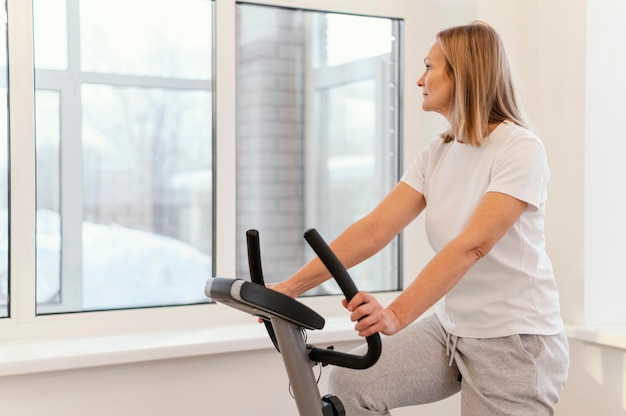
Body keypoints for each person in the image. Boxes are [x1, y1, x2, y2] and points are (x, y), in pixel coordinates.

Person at [271, 21, 569, 415]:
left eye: (429, 67)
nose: (419, 79)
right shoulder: (439, 152)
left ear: (462, 74)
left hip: (513, 340)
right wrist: (292, 287)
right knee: (354, 381)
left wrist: (396, 314)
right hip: (451, 329)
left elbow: (472, 245)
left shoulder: (519, 149)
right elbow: (375, 229)